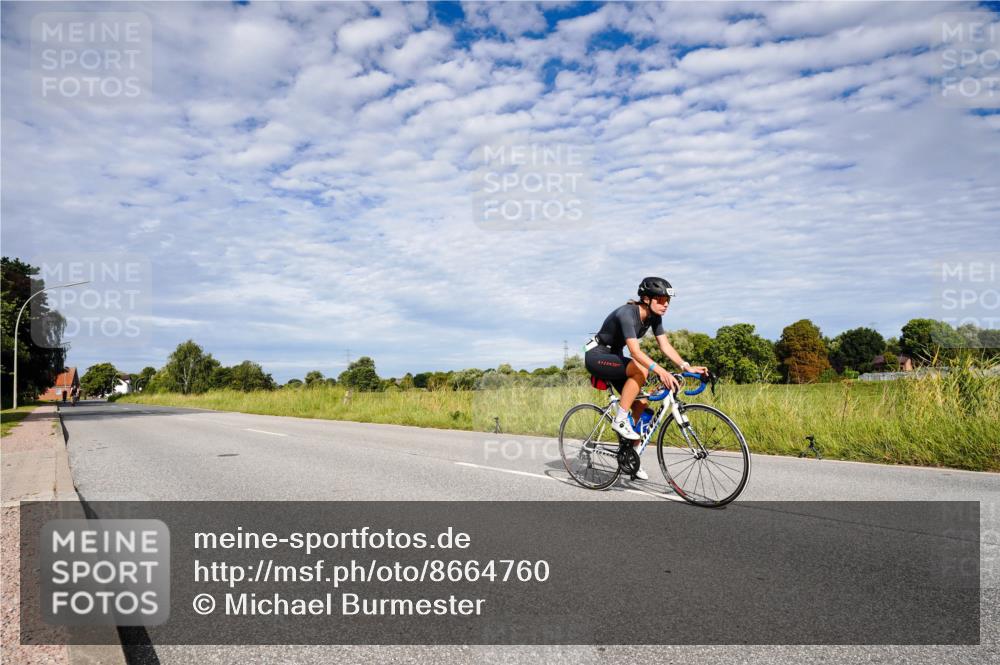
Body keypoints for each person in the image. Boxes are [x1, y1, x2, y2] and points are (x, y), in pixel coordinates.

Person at [584, 276, 708, 480]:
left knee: (641, 402)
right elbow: (635, 351)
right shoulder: (627, 313)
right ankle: (621, 420)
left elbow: (665, 346)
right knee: (641, 370)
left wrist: (687, 366)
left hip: (614, 355)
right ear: (646, 299)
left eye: (667, 300)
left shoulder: (654, 318)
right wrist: (661, 371)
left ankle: (629, 455)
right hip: (597, 355)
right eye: (660, 299)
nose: (665, 304)